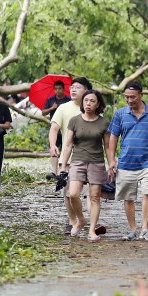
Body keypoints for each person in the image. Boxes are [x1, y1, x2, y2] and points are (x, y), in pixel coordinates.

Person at [107, 81, 148, 242]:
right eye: (126, 97)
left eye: (132, 97)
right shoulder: (120, 114)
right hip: (126, 162)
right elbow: (113, 137)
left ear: (141, 95)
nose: (129, 100)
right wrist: (111, 160)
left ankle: (145, 229)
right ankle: (133, 229)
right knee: (128, 197)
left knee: (147, 194)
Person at [58, 89, 112, 241]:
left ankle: (92, 230)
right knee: (72, 193)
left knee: (94, 197)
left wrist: (111, 164)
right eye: (86, 100)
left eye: (92, 101)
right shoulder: (74, 120)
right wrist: (63, 166)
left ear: (98, 104)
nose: (88, 103)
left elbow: (107, 147)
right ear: (82, 103)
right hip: (77, 161)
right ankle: (80, 220)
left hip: (96, 162)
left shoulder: (104, 122)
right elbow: (68, 145)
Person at [49, 77, 92, 233]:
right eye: (72, 87)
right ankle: (72, 220)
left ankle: (93, 222)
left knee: (91, 192)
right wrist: (53, 145)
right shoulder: (63, 108)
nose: (73, 90)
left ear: (86, 90)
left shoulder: (92, 107)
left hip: (89, 157)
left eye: (77, 87)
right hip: (67, 158)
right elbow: (54, 128)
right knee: (68, 192)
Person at [41, 80, 71, 175]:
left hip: (66, 129)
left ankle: (63, 169)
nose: (58, 90)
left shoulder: (69, 100)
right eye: (56, 89)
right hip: (55, 129)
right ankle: (54, 171)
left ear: (63, 89)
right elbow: (43, 112)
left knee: (66, 149)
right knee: (54, 149)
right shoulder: (50, 99)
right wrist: (52, 108)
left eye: (60, 88)